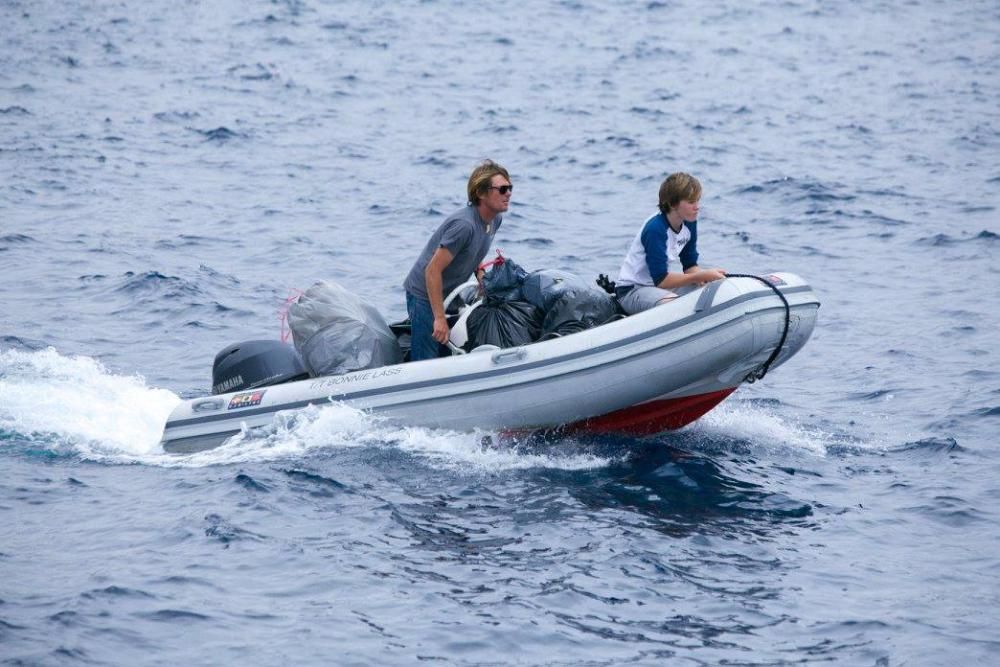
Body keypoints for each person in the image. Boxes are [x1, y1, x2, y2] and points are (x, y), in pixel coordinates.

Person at [403, 160, 512, 360]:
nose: (508, 193)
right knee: (426, 359)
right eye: (502, 189)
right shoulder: (464, 225)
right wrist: (438, 318)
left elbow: (473, 251)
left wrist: (481, 276)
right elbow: (431, 271)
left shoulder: (494, 220)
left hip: (450, 293)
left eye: (510, 188)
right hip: (424, 294)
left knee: (448, 353)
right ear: (480, 193)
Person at [615, 172, 726, 315]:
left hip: (660, 288)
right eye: (692, 202)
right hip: (632, 291)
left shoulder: (689, 222)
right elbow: (661, 280)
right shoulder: (655, 229)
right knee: (676, 306)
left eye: (698, 201)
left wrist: (709, 277)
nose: (697, 207)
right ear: (673, 204)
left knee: (716, 290)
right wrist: (701, 276)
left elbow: (690, 266)